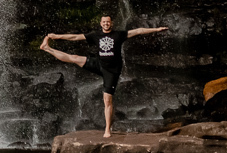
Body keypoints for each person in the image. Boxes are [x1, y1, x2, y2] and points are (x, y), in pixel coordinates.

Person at [40, 14, 168, 139]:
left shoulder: (119, 35)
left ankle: (107, 129)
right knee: (74, 58)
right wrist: (57, 36)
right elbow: (75, 37)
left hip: (111, 71)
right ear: (101, 23)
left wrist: (156, 29)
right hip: (99, 64)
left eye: (108, 22)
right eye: (104, 22)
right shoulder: (96, 35)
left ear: (111, 23)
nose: (106, 24)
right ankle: (47, 48)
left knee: (107, 100)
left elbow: (139, 31)